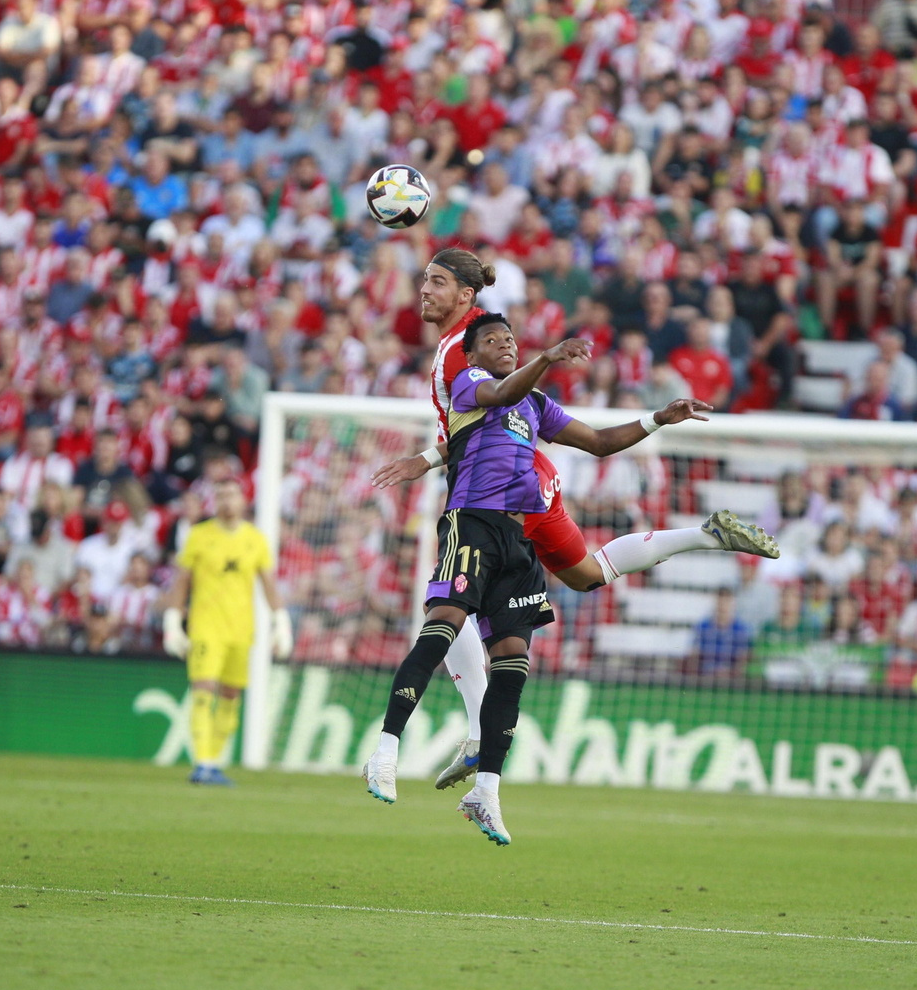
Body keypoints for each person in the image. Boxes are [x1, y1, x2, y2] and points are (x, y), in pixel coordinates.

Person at [371, 249, 777, 791]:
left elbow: (489, 408)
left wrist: (432, 456)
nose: (424, 290)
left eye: (436, 281)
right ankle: (704, 535)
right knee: (585, 575)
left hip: (502, 492)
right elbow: (477, 422)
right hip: (536, 486)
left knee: (447, 603)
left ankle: (469, 732)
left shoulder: (464, 347)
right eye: (425, 280)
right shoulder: (463, 347)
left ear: (465, 295)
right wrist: (424, 459)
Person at [363, 312, 726, 844]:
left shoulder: (534, 406)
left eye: (510, 338)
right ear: (474, 355)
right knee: (442, 624)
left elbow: (599, 442)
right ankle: (385, 750)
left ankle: (485, 792)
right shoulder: (470, 386)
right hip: (474, 523)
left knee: (512, 663)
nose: (505, 345)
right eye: (492, 340)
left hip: (519, 542)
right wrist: (546, 359)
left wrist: (658, 419)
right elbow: (502, 392)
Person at [158, 476, 293, 787]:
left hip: (241, 630)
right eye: (221, 496)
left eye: (232, 495)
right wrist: (172, 622)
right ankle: (202, 762)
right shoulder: (199, 535)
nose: (227, 501)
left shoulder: (255, 539)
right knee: (203, 690)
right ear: (214, 502)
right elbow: (182, 581)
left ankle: (213, 762)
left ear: (243, 500)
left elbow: (268, 584)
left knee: (231, 696)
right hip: (206, 628)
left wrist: (281, 623)